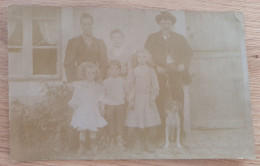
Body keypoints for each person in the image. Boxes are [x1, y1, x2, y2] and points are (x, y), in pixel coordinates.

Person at [144, 11, 193, 147]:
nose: (166, 25)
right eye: (163, 23)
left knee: (178, 103)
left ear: (172, 24)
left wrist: (184, 64)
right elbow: (147, 55)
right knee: (161, 104)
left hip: (176, 75)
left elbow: (188, 53)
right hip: (160, 75)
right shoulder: (152, 38)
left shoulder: (179, 38)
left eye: (168, 23)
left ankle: (180, 135)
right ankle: (161, 136)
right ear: (159, 24)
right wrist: (155, 67)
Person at [125, 48, 161, 152]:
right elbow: (129, 86)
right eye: (139, 57)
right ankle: (138, 143)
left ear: (148, 58)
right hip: (137, 100)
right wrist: (131, 99)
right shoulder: (133, 71)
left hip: (148, 99)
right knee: (137, 121)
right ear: (136, 58)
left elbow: (155, 85)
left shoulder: (151, 71)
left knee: (148, 122)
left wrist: (152, 98)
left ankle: (148, 142)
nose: (141, 59)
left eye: (144, 56)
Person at [68, 62, 107, 155]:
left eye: (93, 73)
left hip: (93, 109)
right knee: (82, 128)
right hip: (82, 109)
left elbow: (101, 97)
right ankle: (82, 147)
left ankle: (93, 145)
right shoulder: (80, 85)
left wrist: (102, 107)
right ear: (84, 74)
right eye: (89, 73)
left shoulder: (97, 85)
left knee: (93, 128)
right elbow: (76, 96)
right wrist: (75, 108)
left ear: (95, 74)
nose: (91, 75)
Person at [64, 13, 109, 82]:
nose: (87, 27)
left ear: (92, 25)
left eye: (89, 24)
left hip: (94, 80)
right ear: (81, 26)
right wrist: (73, 81)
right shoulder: (73, 42)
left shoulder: (99, 43)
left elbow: (104, 64)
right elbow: (68, 64)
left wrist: (98, 80)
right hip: (79, 80)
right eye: (84, 24)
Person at [102, 60, 127, 148]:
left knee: (120, 121)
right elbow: (103, 95)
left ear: (120, 70)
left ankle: (119, 138)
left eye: (116, 69)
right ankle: (112, 139)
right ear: (109, 70)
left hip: (120, 104)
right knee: (110, 121)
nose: (114, 71)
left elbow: (126, 92)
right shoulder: (105, 82)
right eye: (112, 69)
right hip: (110, 104)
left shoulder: (123, 81)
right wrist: (103, 106)